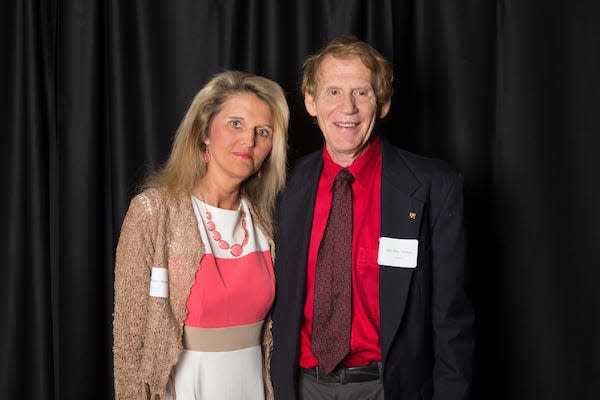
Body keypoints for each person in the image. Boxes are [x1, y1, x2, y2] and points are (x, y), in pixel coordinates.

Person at [270, 36, 474, 399]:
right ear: (310, 102)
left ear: (383, 105)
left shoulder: (433, 187)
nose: (347, 108)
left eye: (361, 93)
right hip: (302, 386)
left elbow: (451, 319)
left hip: (389, 386)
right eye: (332, 92)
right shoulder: (283, 187)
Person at [112, 70, 289, 400]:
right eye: (235, 124)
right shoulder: (154, 212)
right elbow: (129, 340)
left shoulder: (267, 220)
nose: (248, 141)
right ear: (204, 131)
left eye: (262, 132)